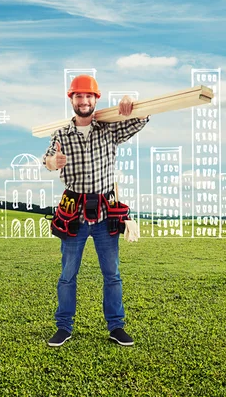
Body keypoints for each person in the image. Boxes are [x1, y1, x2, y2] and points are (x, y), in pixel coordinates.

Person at [42, 74, 149, 347]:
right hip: (73, 215)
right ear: (72, 100)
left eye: (89, 96)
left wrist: (132, 103)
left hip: (104, 214)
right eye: (79, 96)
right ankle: (63, 327)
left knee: (112, 274)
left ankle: (116, 327)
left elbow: (142, 118)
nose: (84, 100)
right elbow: (47, 160)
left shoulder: (109, 129)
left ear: (95, 99)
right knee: (67, 275)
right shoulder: (61, 135)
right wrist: (54, 161)